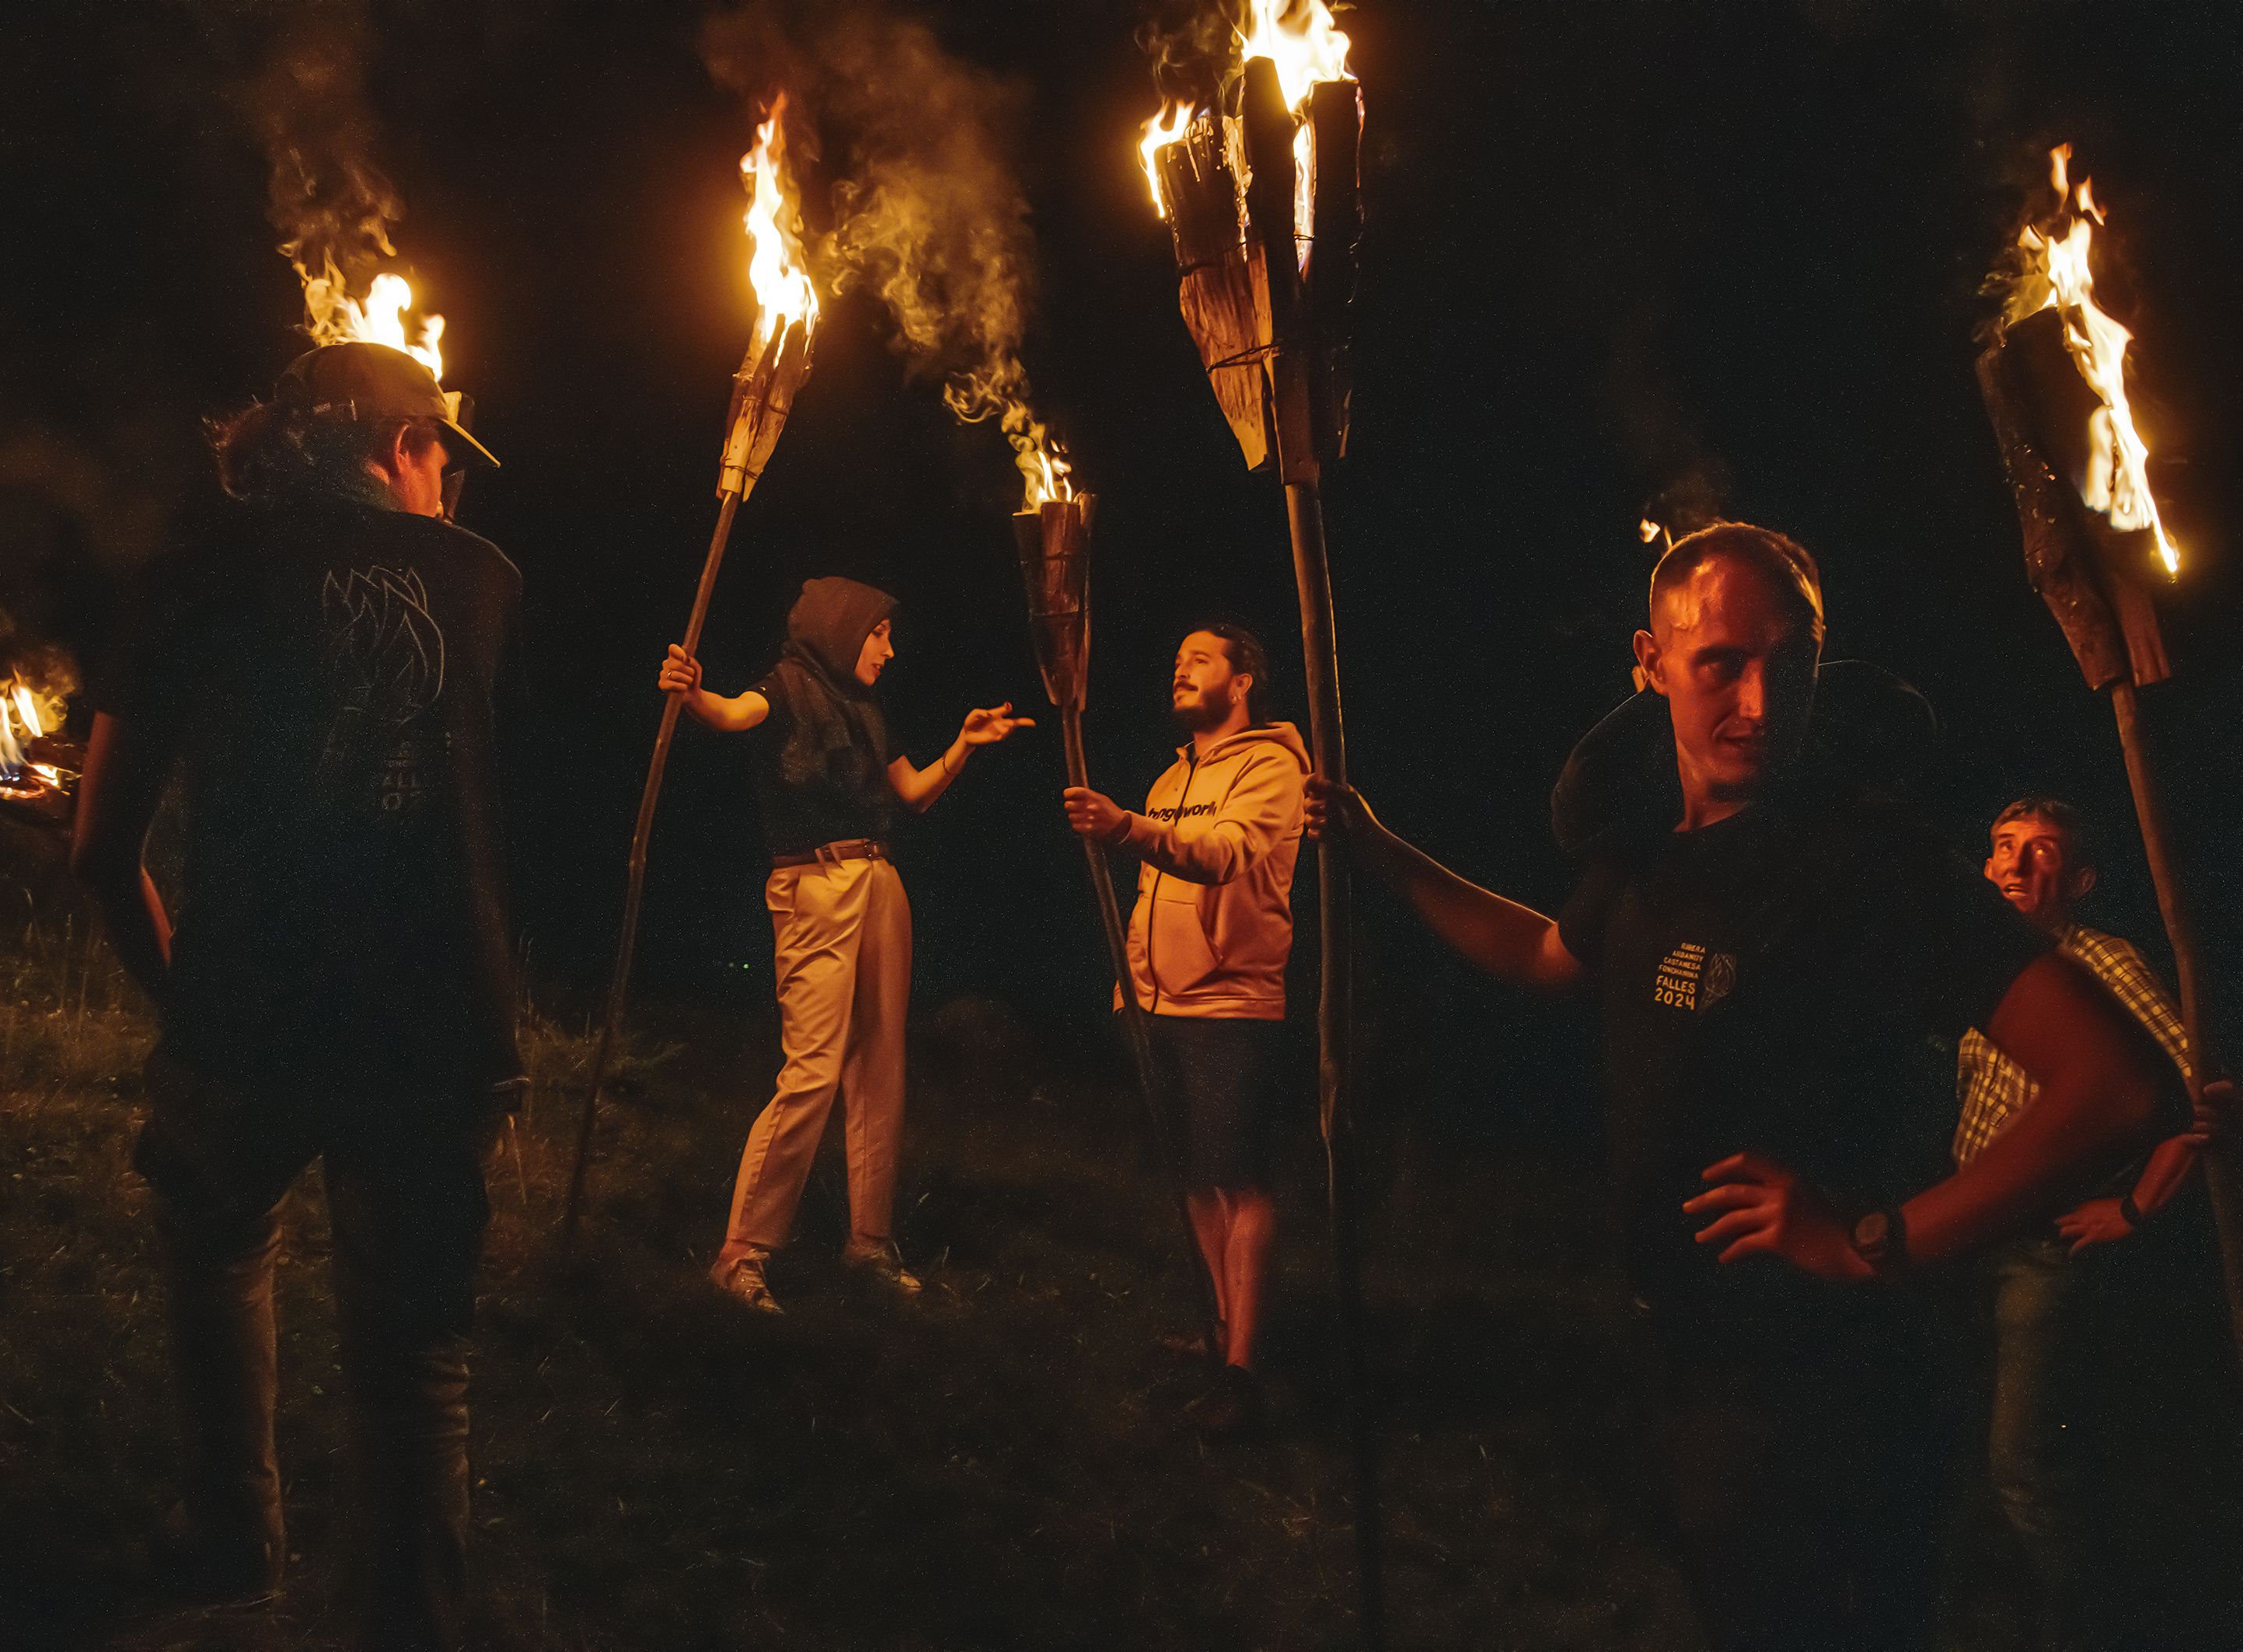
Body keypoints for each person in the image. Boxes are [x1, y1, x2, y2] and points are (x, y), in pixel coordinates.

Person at [1305, 523, 2182, 1652]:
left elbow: (2117, 1086)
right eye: (1720, 661)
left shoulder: (1871, 863)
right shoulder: (1643, 854)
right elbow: (1546, 956)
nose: (1761, 702)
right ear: (1649, 660)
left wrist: (1875, 1237)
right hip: (1690, 1369)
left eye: (1792, 659)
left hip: (1832, 1396)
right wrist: (1383, 853)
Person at [73, 340, 519, 1650]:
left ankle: (227, 1535)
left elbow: (101, 853)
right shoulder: (487, 584)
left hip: (243, 1011)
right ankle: (408, 1616)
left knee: (218, 1247)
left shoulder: (187, 581)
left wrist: (185, 997)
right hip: (432, 1028)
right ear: (396, 451)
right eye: (441, 449)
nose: (449, 481)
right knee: (412, 1356)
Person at [658, 577, 1031, 1313]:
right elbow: (735, 714)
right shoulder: (785, 689)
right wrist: (694, 694)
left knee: (880, 1064)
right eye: (879, 634)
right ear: (840, 628)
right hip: (814, 884)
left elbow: (914, 794)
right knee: (814, 1070)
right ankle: (741, 1255)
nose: (889, 650)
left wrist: (963, 743)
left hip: (880, 881)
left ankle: (868, 1242)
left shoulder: (864, 709)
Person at [1959, 796, 2211, 1652]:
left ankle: (2082, 1630)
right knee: (1975, 1448)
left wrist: (2136, 1206)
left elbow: (2200, 1094)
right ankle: (1995, 1613)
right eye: (2005, 848)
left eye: (2043, 853)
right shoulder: (1984, 964)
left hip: (2043, 1248)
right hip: (1972, 1236)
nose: (2019, 865)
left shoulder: (2101, 960)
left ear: (2080, 879)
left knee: (2024, 1466)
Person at [1062, 624, 1307, 1433]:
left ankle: (1244, 1370)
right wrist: (1130, 979)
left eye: (1198, 660)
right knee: (1196, 1179)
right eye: (1176, 661)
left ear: (1242, 681)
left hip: (1231, 1004)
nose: (1180, 670)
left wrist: (1125, 826)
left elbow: (1224, 855)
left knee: (1241, 1181)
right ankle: (1219, 1328)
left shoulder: (1274, 765)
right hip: (1156, 1003)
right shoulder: (1173, 775)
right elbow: (1152, 891)